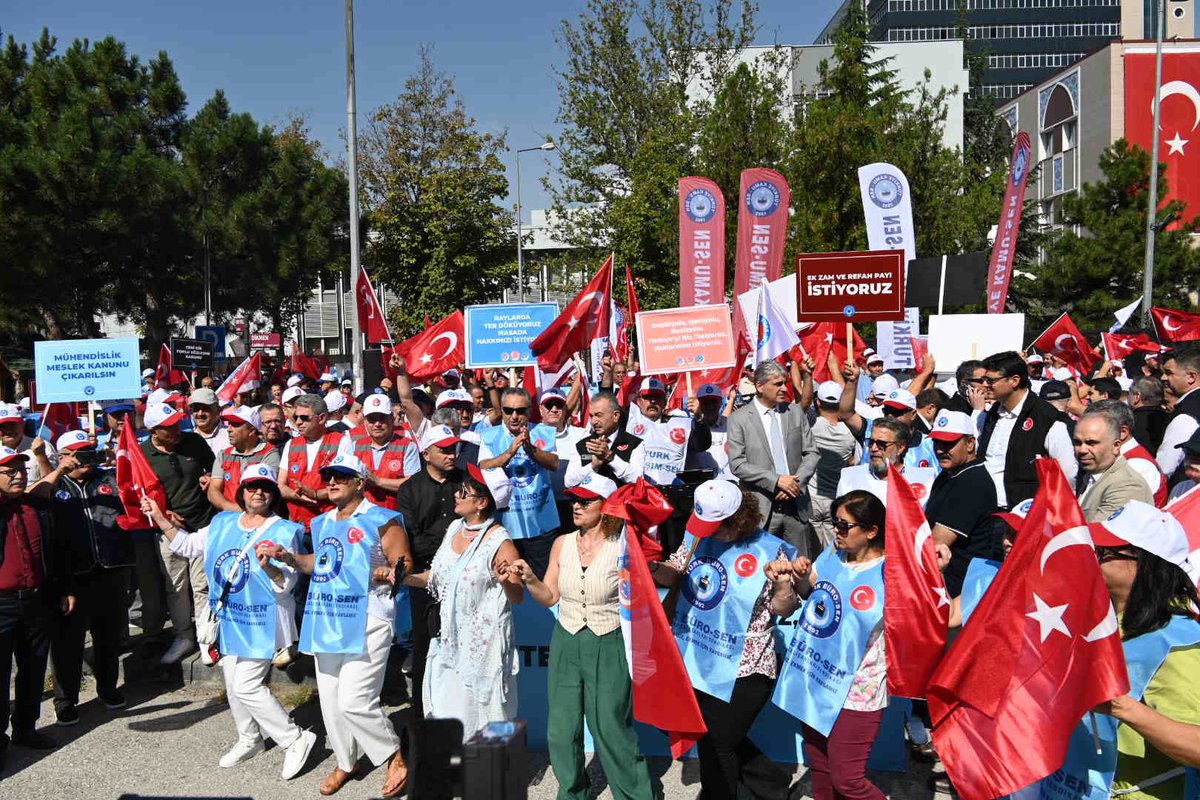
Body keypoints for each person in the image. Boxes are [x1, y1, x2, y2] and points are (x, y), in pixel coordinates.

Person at [140, 465, 317, 780]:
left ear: (273, 494)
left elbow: (286, 585)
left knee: (247, 685)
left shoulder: (285, 530)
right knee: (233, 683)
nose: (258, 492)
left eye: (264, 487)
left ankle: (294, 738)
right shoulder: (222, 522)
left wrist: (269, 567)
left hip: (264, 618)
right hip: (230, 615)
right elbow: (188, 545)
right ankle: (249, 738)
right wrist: (159, 516)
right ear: (242, 490)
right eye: (251, 486)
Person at [507, 473, 656, 800]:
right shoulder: (562, 543)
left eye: (585, 500)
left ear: (606, 506)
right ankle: (574, 793)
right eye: (574, 499)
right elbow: (549, 596)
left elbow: (648, 590)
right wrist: (530, 578)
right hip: (567, 639)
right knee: (561, 730)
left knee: (611, 728)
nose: (576, 505)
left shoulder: (624, 545)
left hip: (609, 638)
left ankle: (636, 795)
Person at [273, 454, 411, 797]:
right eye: (328, 476)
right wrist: (288, 557)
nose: (332, 481)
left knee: (354, 700)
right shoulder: (320, 523)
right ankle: (347, 762)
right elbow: (317, 564)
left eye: (341, 476)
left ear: (360, 482)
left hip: (369, 615)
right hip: (327, 616)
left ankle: (394, 753)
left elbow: (402, 564)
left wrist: (390, 572)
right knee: (332, 702)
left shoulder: (383, 519)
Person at [651, 480, 796, 800]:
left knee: (719, 742)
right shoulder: (697, 535)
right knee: (709, 733)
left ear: (739, 519)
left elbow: (782, 608)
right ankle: (771, 784)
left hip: (747, 663)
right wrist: (652, 566)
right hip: (698, 654)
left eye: (716, 526)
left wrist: (784, 585)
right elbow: (674, 572)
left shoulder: (770, 549)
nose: (708, 532)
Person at [1055, 502, 1200, 800]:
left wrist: (1122, 707)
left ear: (1144, 563)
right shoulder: (1103, 621)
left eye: (1104, 552)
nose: (1092, 559)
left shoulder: (1179, 641)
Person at [769, 490, 889, 800]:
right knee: (820, 766)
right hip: (816, 678)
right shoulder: (834, 554)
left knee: (848, 780)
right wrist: (799, 576)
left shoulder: (892, 574)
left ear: (872, 531)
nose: (836, 530)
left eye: (844, 525)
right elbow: (810, 592)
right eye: (835, 522)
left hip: (857, 690)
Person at [406, 463, 522, 740]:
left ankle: (492, 777)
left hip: (483, 648)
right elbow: (435, 578)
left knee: (486, 720)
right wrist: (403, 579)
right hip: (450, 642)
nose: (457, 495)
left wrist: (506, 580)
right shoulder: (455, 527)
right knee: (451, 718)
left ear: (482, 503)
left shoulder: (500, 542)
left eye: (464, 493)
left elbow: (518, 596)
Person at [47, 431, 134, 726]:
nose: (86, 458)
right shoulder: (54, 486)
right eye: (79, 453)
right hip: (71, 576)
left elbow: (135, 494)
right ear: (63, 456)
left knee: (108, 637)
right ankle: (66, 700)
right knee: (67, 643)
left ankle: (107, 689)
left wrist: (116, 461)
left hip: (109, 570)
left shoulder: (109, 479)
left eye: (90, 451)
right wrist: (59, 470)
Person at [0, 447, 75, 765]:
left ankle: (26, 729)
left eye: (21, 468)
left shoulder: (34, 507)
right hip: (1, 606)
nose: (18, 474)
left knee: (32, 670)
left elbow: (52, 553)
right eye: (9, 470)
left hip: (36, 600)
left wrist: (61, 589)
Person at [395, 424, 465, 723]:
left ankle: (461, 707)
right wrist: (449, 554)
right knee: (426, 644)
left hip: (462, 573)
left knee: (462, 641)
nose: (451, 454)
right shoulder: (410, 489)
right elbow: (413, 535)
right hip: (427, 576)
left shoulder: (466, 481)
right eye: (444, 450)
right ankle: (423, 711)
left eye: (453, 449)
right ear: (426, 454)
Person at [140, 401, 216, 664]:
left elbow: (215, 468)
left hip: (203, 523)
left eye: (177, 424)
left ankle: (207, 638)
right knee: (176, 586)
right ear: (154, 431)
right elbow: (136, 494)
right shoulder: (142, 454)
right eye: (168, 428)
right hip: (167, 531)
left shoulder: (194, 442)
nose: (176, 431)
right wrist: (163, 513)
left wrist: (209, 477)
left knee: (202, 585)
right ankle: (184, 636)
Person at [727, 361, 820, 556]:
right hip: (761, 509)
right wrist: (777, 481)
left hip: (795, 506)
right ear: (760, 386)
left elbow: (811, 453)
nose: (784, 388)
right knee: (761, 570)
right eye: (777, 384)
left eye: (784, 382)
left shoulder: (794, 412)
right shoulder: (739, 419)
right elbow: (737, 464)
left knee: (800, 568)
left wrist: (795, 483)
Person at [978, 351, 1077, 509]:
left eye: (990, 380)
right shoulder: (992, 415)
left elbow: (1067, 474)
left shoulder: (1047, 419)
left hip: (1024, 516)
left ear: (1014, 381)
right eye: (983, 380)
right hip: (984, 510)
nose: (984, 385)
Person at [478, 387, 560, 570]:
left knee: (544, 582)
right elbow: (483, 467)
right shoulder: (489, 435)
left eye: (520, 411)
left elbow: (554, 464)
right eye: (508, 410)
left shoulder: (543, 431)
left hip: (540, 522)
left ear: (529, 411)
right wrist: (508, 453)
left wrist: (531, 449)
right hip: (505, 522)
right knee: (510, 582)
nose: (514, 416)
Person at [923, 410, 1000, 597]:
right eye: (937, 442)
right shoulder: (949, 474)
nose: (940, 450)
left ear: (970, 444)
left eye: (948, 443)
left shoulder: (972, 482)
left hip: (960, 593)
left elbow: (936, 546)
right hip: (945, 584)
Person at [277, 394, 353, 534]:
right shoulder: (291, 444)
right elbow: (280, 485)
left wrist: (315, 494)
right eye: (295, 417)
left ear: (322, 418)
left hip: (329, 526)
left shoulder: (342, 442)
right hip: (296, 526)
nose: (298, 422)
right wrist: (297, 495)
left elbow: (346, 487)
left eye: (304, 418)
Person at [1074, 405, 1153, 522]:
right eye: (1077, 442)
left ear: (1116, 446)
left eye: (1091, 443)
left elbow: (1099, 535)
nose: (1082, 450)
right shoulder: (1091, 474)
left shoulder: (1127, 485)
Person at [836, 417, 937, 506]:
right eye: (871, 442)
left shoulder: (925, 478)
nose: (873, 448)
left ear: (900, 447)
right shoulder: (850, 477)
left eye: (881, 444)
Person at [808, 380, 858, 549]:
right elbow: (853, 461)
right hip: (834, 500)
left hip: (811, 499)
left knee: (811, 553)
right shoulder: (850, 431)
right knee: (833, 552)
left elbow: (802, 399)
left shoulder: (810, 425)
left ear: (819, 402)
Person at [563, 392, 644, 488]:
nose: (594, 421)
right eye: (591, 416)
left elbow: (638, 479)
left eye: (599, 415)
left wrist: (610, 457)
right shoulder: (582, 444)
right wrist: (593, 466)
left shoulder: (634, 443)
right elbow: (568, 482)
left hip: (620, 501)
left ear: (615, 416)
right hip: (590, 501)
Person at [352, 394, 419, 511]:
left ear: (392, 419)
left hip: (395, 515)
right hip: (361, 518)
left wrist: (378, 481)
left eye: (382, 418)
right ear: (365, 421)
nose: (377, 424)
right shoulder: (354, 446)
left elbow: (413, 484)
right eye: (372, 419)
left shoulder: (407, 445)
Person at [208, 405, 280, 513]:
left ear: (251, 431)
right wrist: (230, 508)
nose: (228, 429)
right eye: (229, 424)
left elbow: (264, 493)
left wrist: (243, 513)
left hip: (260, 520)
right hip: (229, 518)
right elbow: (213, 490)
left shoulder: (269, 454)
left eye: (235, 425)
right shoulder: (223, 454)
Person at [1156, 342, 1200, 482]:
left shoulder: (1186, 416)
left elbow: (1165, 467)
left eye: (1168, 373)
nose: (1163, 378)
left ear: (1191, 377)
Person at [686, 382, 735, 481]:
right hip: (700, 485)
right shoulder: (688, 426)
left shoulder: (733, 425)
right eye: (705, 402)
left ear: (721, 402)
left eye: (714, 402)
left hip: (728, 484)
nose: (710, 406)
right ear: (698, 404)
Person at [0, 403, 54, 482]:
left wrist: (41, 455)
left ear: (23, 424)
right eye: (2, 426)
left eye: (12, 424)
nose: (8, 430)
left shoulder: (43, 446)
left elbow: (54, 482)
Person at [1129, 377, 1168, 454]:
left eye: (1129, 393)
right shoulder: (1171, 419)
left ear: (1137, 396)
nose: (1128, 397)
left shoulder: (1128, 422)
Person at [188, 387, 230, 458]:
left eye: (206, 408)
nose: (200, 413)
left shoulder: (230, 436)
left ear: (218, 410)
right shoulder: (187, 440)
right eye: (196, 409)